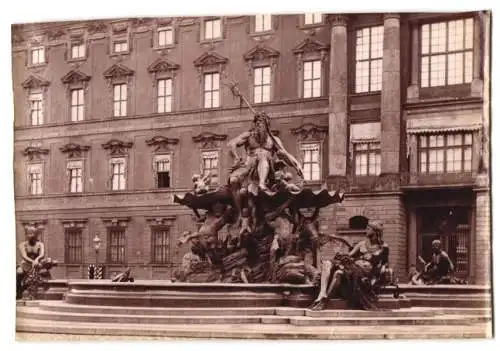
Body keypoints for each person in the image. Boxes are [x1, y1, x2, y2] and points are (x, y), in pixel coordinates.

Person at [227, 112, 304, 223]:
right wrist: (236, 157)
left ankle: (262, 184)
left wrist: (297, 165)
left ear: (267, 125)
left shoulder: (274, 140)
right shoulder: (248, 135)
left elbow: (285, 154)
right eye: (257, 123)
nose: (259, 125)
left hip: (268, 168)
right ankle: (240, 213)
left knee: (263, 157)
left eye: (261, 123)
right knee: (233, 180)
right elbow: (231, 144)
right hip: (249, 166)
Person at [309, 220, 389, 310]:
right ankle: (323, 296)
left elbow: (384, 264)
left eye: (368, 228)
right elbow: (349, 255)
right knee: (334, 268)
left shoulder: (384, 247)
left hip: (365, 274)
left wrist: (379, 276)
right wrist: (341, 254)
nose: (366, 230)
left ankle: (324, 300)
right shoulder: (361, 244)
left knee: (340, 271)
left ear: (375, 231)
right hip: (354, 269)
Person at [16, 225, 56, 300]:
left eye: (33, 233)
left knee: (44, 272)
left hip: (37, 265)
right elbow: (24, 256)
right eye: (29, 233)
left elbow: (42, 254)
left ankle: (43, 292)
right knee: (19, 272)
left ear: (36, 235)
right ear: (26, 234)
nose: (31, 235)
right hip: (25, 265)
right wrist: (33, 261)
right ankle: (18, 293)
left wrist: (37, 260)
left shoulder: (40, 244)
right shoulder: (22, 245)